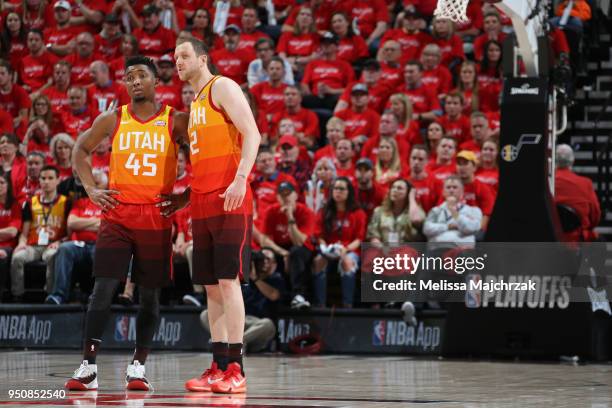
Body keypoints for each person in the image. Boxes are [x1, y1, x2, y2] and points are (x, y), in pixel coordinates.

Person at [65, 56, 189, 392]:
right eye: (129, 77)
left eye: (141, 76)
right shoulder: (113, 118)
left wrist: (186, 196)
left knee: (149, 297)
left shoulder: (175, 120)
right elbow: (80, 149)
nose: (134, 82)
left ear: (155, 82)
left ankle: (138, 365)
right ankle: (89, 365)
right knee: (102, 290)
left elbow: (205, 154)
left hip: (155, 217)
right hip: (118, 216)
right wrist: (90, 188)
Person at [173, 36, 261, 394]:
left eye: (183, 55)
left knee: (228, 281)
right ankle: (218, 364)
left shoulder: (221, 86)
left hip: (230, 198)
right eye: (174, 56)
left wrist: (241, 178)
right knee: (210, 286)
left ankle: (237, 368)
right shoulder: (194, 103)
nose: (177, 61)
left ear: (203, 58)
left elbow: (252, 133)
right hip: (203, 201)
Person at [200, 247, 285, 352]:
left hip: (257, 325)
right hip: (239, 322)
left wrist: (256, 278)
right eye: (262, 259)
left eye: (268, 259)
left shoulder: (276, 279)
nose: (264, 262)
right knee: (206, 314)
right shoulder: (243, 279)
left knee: (268, 324)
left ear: (275, 264)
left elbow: (273, 295)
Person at [45, 170, 106, 305]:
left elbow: (106, 226)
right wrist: (96, 221)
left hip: (100, 244)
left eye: (97, 183)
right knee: (65, 248)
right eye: (92, 184)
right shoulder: (81, 202)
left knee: (101, 252)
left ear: (105, 186)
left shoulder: (110, 204)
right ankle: (58, 295)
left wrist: (84, 223)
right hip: (78, 243)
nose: (95, 187)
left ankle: (97, 297)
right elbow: (72, 223)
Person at [10, 165, 69, 302]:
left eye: (50, 178)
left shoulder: (66, 202)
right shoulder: (31, 202)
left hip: (53, 245)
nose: (46, 181)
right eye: (43, 178)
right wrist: (21, 243)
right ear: (39, 181)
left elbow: (69, 232)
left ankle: (49, 295)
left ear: (58, 180)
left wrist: (60, 242)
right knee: (17, 257)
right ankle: (17, 295)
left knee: (52, 256)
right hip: (33, 245)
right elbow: (24, 231)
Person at [260, 182, 315, 310]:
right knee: (265, 254)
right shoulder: (271, 211)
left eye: (288, 194)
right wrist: (283, 253)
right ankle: (266, 299)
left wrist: (290, 217)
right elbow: (264, 240)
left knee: (296, 252)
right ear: (277, 197)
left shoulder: (306, 212)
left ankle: (299, 295)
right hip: (281, 247)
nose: (285, 198)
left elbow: (299, 241)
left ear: (296, 195)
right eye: (281, 195)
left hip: (303, 248)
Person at [313, 177, 367, 308]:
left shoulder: (358, 213)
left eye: (342, 189)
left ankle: (347, 304)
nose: (338, 191)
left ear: (349, 192)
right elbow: (319, 235)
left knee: (347, 263)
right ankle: (320, 305)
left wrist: (345, 250)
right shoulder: (324, 211)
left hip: (349, 249)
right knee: (318, 261)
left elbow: (359, 239)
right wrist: (325, 248)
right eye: (335, 188)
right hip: (328, 249)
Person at [554, 144, 601, 242]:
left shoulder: (547, 183)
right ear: (573, 160)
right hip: (577, 240)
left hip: (551, 239)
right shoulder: (585, 183)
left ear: (554, 160)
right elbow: (595, 216)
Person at [423, 176, 482, 250]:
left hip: (462, 250)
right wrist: (447, 227)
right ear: (443, 192)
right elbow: (426, 229)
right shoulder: (435, 210)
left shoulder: (473, 210)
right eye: (448, 187)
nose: (451, 190)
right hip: (438, 250)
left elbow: (471, 228)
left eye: (455, 187)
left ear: (462, 191)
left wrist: (454, 212)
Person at [0, 171, 21, 301]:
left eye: (2, 182)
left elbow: (13, 232)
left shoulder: (15, 205)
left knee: (1, 255)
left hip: (8, 246)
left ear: (8, 185)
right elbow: (6, 232)